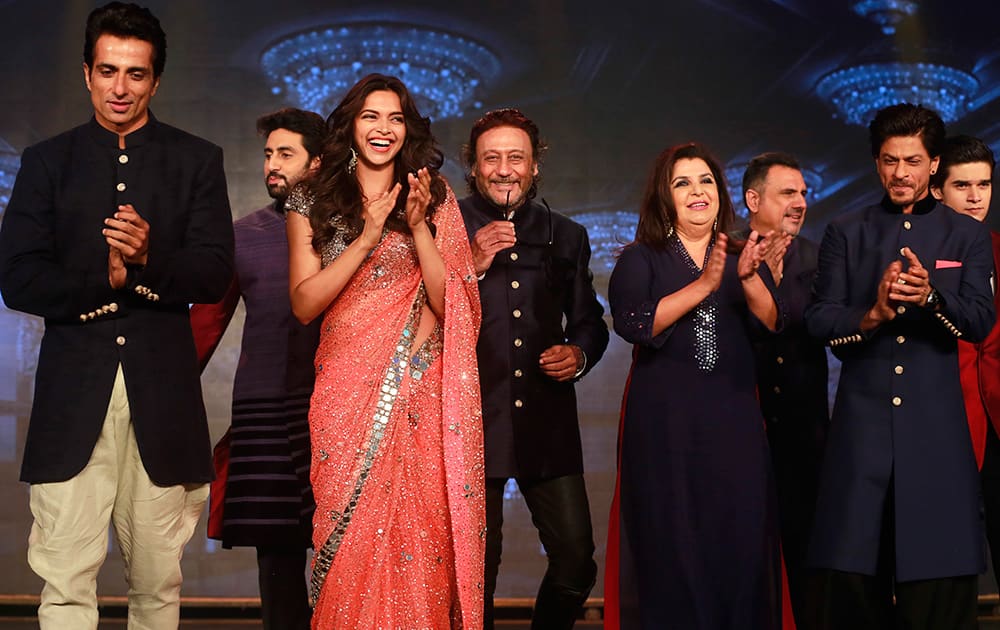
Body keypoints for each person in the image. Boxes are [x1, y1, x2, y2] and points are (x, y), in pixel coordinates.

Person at [0, 3, 234, 628]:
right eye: (108, 71)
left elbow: (213, 274)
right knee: (65, 583)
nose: (121, 88)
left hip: (164, 399)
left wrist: (150, 260)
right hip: (71, 396)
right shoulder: (48, 161)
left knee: (157, 585)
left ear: (156, 80)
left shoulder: (196, 160)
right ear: (87, 74)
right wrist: (98, 281)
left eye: (136, 74)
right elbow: (17, 278)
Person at [284, 73, 484, 628]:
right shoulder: (311, 195)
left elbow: (456, 306)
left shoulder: (433, 194)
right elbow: (304, 303)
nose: (383, 129)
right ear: (350, 122)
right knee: (346, 534)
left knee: (419, 532)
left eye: (396, 118)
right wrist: (368, 236)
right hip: (345, 390)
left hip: (419, 389)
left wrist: (419, 229)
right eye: (371, 116)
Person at [805, 105, 995, 629]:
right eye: (889, 161)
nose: (900, 174)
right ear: (875, 162)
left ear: (935, 164)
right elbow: (819, 319)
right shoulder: (846, 230)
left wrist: (932, 296)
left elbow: (980, 320)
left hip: (937, 439)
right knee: (850, 580)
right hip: (860, 437)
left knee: (938, 584)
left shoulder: (967, 235)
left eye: (913, 161)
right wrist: (872, 314)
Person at [606, 142, 788, 629]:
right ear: (664, 197)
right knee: (672, 546)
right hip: (665, 427)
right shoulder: (640, 259)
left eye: (705, 180)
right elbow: (635, 323)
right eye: (682, 182)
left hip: (734, 421)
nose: (696, 191)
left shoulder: (742, 255)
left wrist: (747, 279)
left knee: (741, 541)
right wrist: (703, 286)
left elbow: (774, 324)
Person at [458, 108, 609, 629]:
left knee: (575, 561)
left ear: (534, 167)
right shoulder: (444, 225)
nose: (504, 169)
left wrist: (579, 353)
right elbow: (418, 313)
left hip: (547, 423)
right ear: (473, 168)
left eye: (515, 157)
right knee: (476, 573)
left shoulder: (565, 234)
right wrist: (469, 264)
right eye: (491, 158)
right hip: (470, 423)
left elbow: (590, 321)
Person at [190, 107, 326, 630]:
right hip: (263, 406)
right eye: (268, 153)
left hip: (336, 406)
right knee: (276, 550)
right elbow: (204, 326)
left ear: (316, 164)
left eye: (285, 154)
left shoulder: (352, 232)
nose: (271, 164)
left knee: (347, 542)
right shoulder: (242, 235)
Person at [742, 152, 829, 624]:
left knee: (806, 554)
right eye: (788, 193)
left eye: (803, 193)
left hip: (805, 433)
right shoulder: (727, 258)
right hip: (742, 431)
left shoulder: (821, 258)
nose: (800, 202)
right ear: (753, 200)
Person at [929, 134, 1000, 581]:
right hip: (944, 421)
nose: (976, 197)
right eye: (963, 186)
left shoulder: (997, 246)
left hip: (997, 417)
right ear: (937, 189)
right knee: (946, 565)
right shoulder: (913, 249)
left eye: (985, 185)